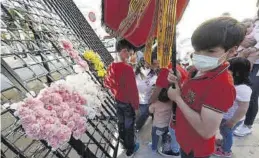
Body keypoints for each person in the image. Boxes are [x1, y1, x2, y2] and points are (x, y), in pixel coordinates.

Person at [167, 17, 246, 158]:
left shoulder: (222, 86)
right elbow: (194, 94)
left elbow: (206, 131)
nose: (200, 56)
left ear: (232, 51)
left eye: (210, 51)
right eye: (197, 49)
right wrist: (180, 80)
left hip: (195, 150)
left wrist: (177, 99)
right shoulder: (197, 69)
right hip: (184, 139)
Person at [104, 39, 139, 157]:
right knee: (129, 127)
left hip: (118, 100)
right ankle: (131, 149)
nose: (130, 55)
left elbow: (107, 83)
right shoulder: (127, 68)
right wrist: (136, 105)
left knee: (121, 124)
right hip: (128, 103)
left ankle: (124, 144)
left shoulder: (111, 66)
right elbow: (133, 91)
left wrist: (116, 90)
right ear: (124, 51)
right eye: (129, 53)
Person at [214, 57, 252, 157]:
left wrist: (233, 121)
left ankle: (226, 150)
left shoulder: (243, 89)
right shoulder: (235, 83)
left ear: (237, 73)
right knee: (224, 132)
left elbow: (243, 108)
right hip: (227, 116)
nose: (226, 71)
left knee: (227, 133)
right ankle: (224, 142)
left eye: (228, 69)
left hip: (232, 118)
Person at [234, 17, 259, 137]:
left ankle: (247, 125)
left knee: (252, 93)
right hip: (249, 63)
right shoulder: (255, 22)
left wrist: (254, 48)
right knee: (246, 91)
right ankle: (242, 121)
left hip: (256, 64)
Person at [135, 54, 158, 131]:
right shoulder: (137, 70)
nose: (156, 66)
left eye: (157, 64)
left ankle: (137, 127)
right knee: (136, 116)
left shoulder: (154, 75)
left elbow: (154, 87)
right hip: (135, 99)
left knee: (143, 115)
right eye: (154, 64)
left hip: (146, 100)